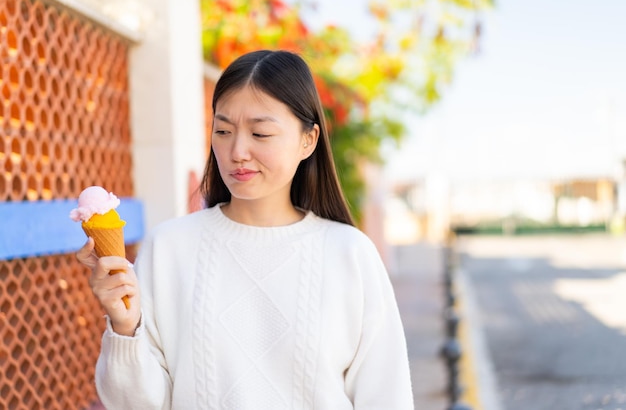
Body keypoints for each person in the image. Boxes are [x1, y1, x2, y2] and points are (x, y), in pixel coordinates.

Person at [77, 49, 414, 409]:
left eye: (260, 133)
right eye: (223, 131)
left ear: (308, 140)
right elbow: (134, 405)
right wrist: (125, 326)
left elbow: (386, 396)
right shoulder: (167, 248)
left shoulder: (350, 253)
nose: (237, 150)